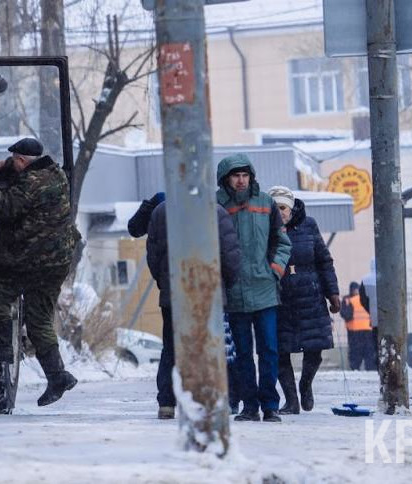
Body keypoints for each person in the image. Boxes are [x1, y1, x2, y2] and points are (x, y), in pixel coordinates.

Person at [0, 137, 82, 406]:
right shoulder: (55, 174)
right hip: (57, 263)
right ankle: (57, 376)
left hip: (30, 259)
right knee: (40, 321)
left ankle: (0, 348)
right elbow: (27, 184)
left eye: (14, 159)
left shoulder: (30, 183)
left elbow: (6, 208)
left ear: (22, 161)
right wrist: (6, 167)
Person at [145, 199, 242, 419]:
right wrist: (226, 283)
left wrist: (165, 283)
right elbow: (230, 255)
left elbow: (153, 255)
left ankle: (167, 403)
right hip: (210, 293)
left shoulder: (161, 212)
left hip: (174, 294)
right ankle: (209, 399)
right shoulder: (217, 212)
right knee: (211, 347)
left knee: (171, 348)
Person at [216, 154, 292, 423]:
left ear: (251, 177)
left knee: (269, 350)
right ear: (226, 179)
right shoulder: (216, 205)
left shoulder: (265, 203)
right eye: (235, 175)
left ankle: (270, 404)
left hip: (264, 289)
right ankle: (250, 406)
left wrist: (275, 272)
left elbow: (283, 242)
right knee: (243, 354)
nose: (240, 180)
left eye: (245, 175)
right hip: (234, 292)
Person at [268, 186, 340, 414]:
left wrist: (333, 293)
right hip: (279, 296)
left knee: (315, 348)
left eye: (283, 208)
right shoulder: (265, 228)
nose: (280, 213)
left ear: (290, 208)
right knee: (280, 350)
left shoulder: (308, 225)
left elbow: (324, 261)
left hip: (310, 294)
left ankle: (305, 384)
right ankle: (291, 400)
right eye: (275, 208)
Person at [340, 282, 374, 370]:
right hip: (368, 330)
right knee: (369, 353)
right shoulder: (367, 298)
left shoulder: (348, 300)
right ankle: (370, 370)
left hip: (354, 332)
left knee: (355, 354)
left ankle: (355, 369)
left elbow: (346, 315)